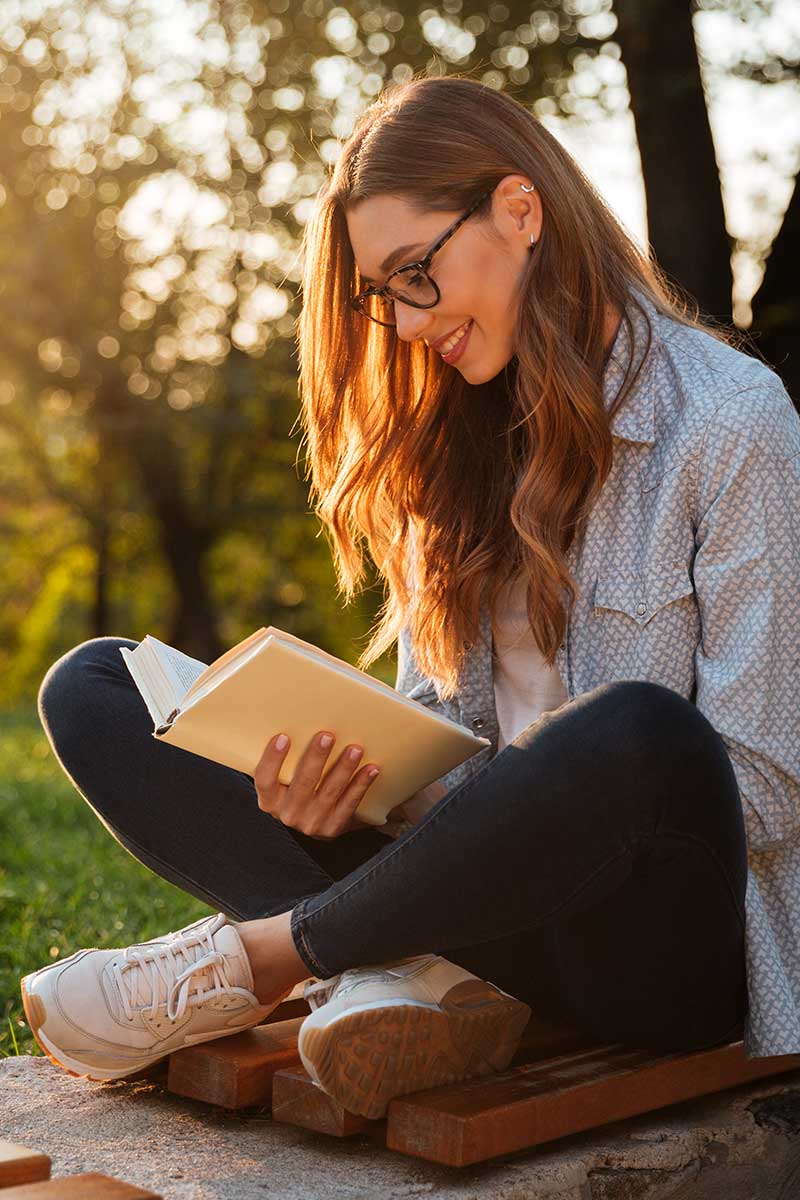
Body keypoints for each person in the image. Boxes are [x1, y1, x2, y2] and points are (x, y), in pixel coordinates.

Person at [20, 75, 800, 1122]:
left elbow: (760, 785)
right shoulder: (453, 444)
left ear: (519, 213)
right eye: (379, 294)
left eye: (413, 275)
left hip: (650, 954)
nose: (398, 322)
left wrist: (509, 810)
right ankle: (412, 971)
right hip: (470, 908)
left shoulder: (732, 422)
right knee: (99, 689)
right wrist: (355, 780)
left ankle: (267, 956)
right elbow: (436, 728)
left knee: (635, 735)